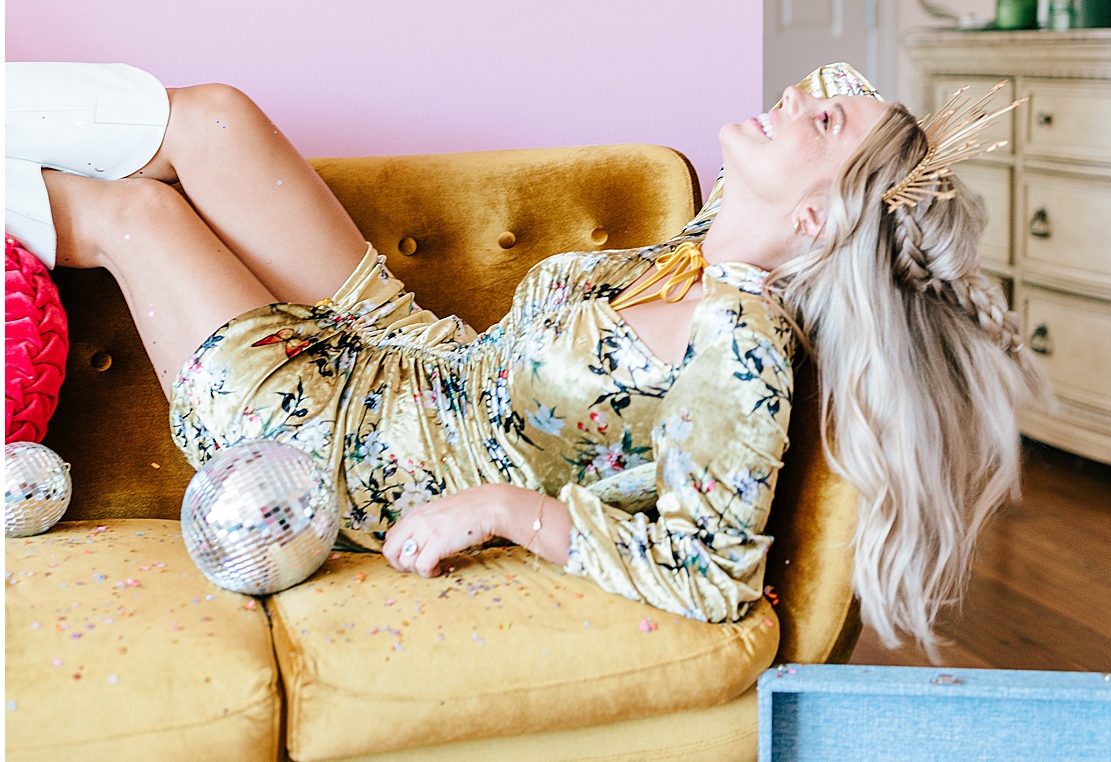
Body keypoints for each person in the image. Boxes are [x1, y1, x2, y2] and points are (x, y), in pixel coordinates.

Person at [5, 60, 1040, 653]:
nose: (800, 92)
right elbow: (846, 182)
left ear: (816, 213)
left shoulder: (745, 347)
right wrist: (852, 128)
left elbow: (715, 572)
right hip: (414, 352)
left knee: (136, 214)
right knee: (211, 117)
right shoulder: (713, 239)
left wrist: (511, 511)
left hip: (342, 450)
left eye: (823, 119)